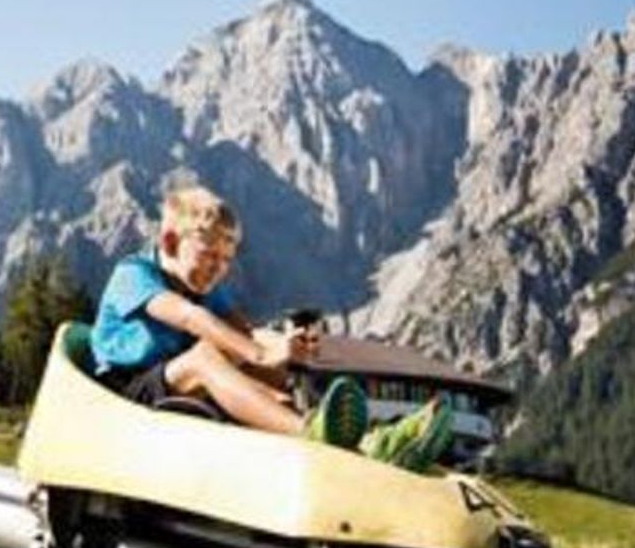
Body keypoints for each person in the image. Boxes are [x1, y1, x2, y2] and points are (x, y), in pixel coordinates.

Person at [90, 185, 452, 472]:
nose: (219, 269)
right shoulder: (134, 274)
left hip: (172, 390)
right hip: (124, 397)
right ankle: (313, 435)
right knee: (207, 356)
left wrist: (282, 349)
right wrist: (259, 352)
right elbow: (190, 318)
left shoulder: (208, 289)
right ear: (170, 242)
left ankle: (366, 442)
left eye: (227, 260)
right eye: (209, 256)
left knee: (268, 375)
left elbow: (244, 333)